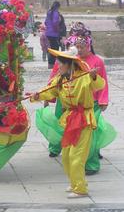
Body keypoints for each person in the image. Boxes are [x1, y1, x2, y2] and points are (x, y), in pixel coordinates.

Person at [40, 22, 116, 176]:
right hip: (66, 102)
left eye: (83, 46)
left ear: (89, 45)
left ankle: (91, 163)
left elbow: (102, 82)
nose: (80, 50)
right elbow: (54, 79)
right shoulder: (65, 60)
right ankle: (56, 147)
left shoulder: (97, 61)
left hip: (90, 103)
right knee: (61, 127)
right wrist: (47, 97)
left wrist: (103, 100)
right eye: (77, 46)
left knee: (90, 134)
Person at [31, 48, 105, 198]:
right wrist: (36, 95)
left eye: (60, 63)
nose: (57, 66)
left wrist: (94, 76)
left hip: (84, 119)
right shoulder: (60, 79)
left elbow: (100, 85)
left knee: (76, 156)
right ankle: (74, 183)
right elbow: (49, 91)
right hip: (70, 119)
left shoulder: (84, 76)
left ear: (69, 64)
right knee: (66, 155)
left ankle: (80, 189)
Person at [45, 1, 61, 69]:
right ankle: (54, 64)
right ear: (58, 7)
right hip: (53, 33)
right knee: (55, 49)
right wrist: (57, 30)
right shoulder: (55, 13)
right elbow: (55, 23)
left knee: (51, 48)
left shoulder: (49, 12)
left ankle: (50, 64)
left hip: (48, 33)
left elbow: (45, 22)